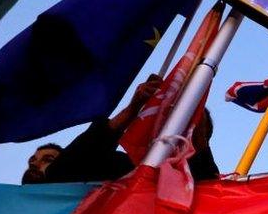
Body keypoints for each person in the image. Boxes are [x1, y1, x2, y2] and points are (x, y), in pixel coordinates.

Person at [42, 76, 219, 183]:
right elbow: (60, 173)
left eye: (186, 125)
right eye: (165, 121)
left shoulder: (196, 182)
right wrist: (133, 108)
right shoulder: (123, 167)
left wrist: (196, 111)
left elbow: (208, 184)